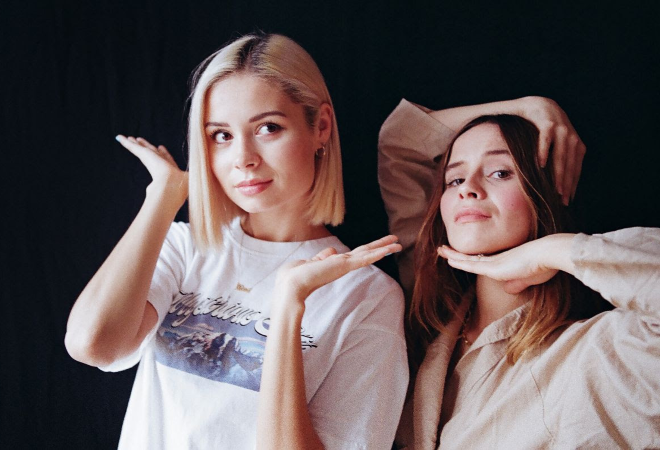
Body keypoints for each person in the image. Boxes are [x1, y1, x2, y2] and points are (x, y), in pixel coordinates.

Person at [65, 33, 408, 449]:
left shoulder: (367, 295)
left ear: (321, 127)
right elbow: (93, 345)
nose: (244, 158)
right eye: (221, 135)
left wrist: (289, 304)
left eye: (268, 128)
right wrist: (163, 197)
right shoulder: (184, 248)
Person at [379, 101, 660, 448]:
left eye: (500, 173)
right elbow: (402, 140)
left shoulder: (598, 354)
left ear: (548, 192)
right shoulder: (428, 314)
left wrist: (551, 251)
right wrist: (533, 106)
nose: (467, 188)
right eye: (455, 179)